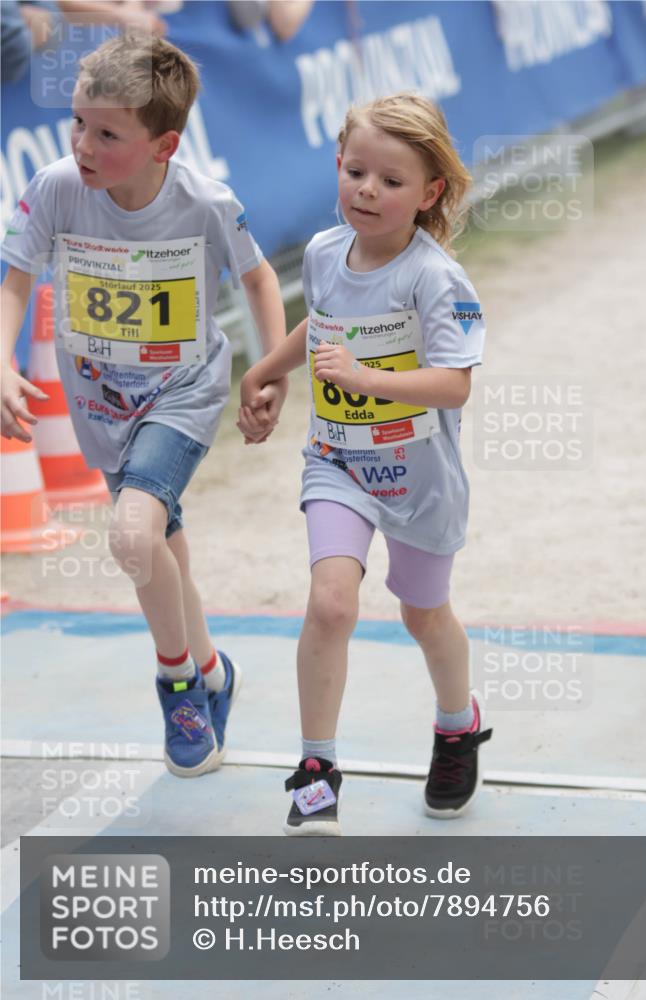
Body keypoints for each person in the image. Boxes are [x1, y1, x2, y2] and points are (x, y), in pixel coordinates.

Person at [1, 33, 286, 778]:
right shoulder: (58, 185)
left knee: (131, 536)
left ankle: (180, 687)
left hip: (183, 392)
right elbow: (14, 277)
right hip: (102, 405)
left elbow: (258, 281)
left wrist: (269, 369)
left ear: (165, 144)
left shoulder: (205, 202)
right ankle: (216, 669)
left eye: (106, 134)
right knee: (159, 549)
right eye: (77, 125)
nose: (82, 145)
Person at [239, 92, 492, 835]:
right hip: (338, 464)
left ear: (429, 193)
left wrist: (368, 380)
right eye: (355, 172)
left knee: (424, 615)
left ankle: (456, 725)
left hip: (419, 478)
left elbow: (456, 383)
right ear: (338, 167)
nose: (367, 191)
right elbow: (322, 324)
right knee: (331, 604)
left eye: (390, 181)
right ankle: (317, 772)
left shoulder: (436, 278)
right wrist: (267, 373)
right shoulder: (322, 252)